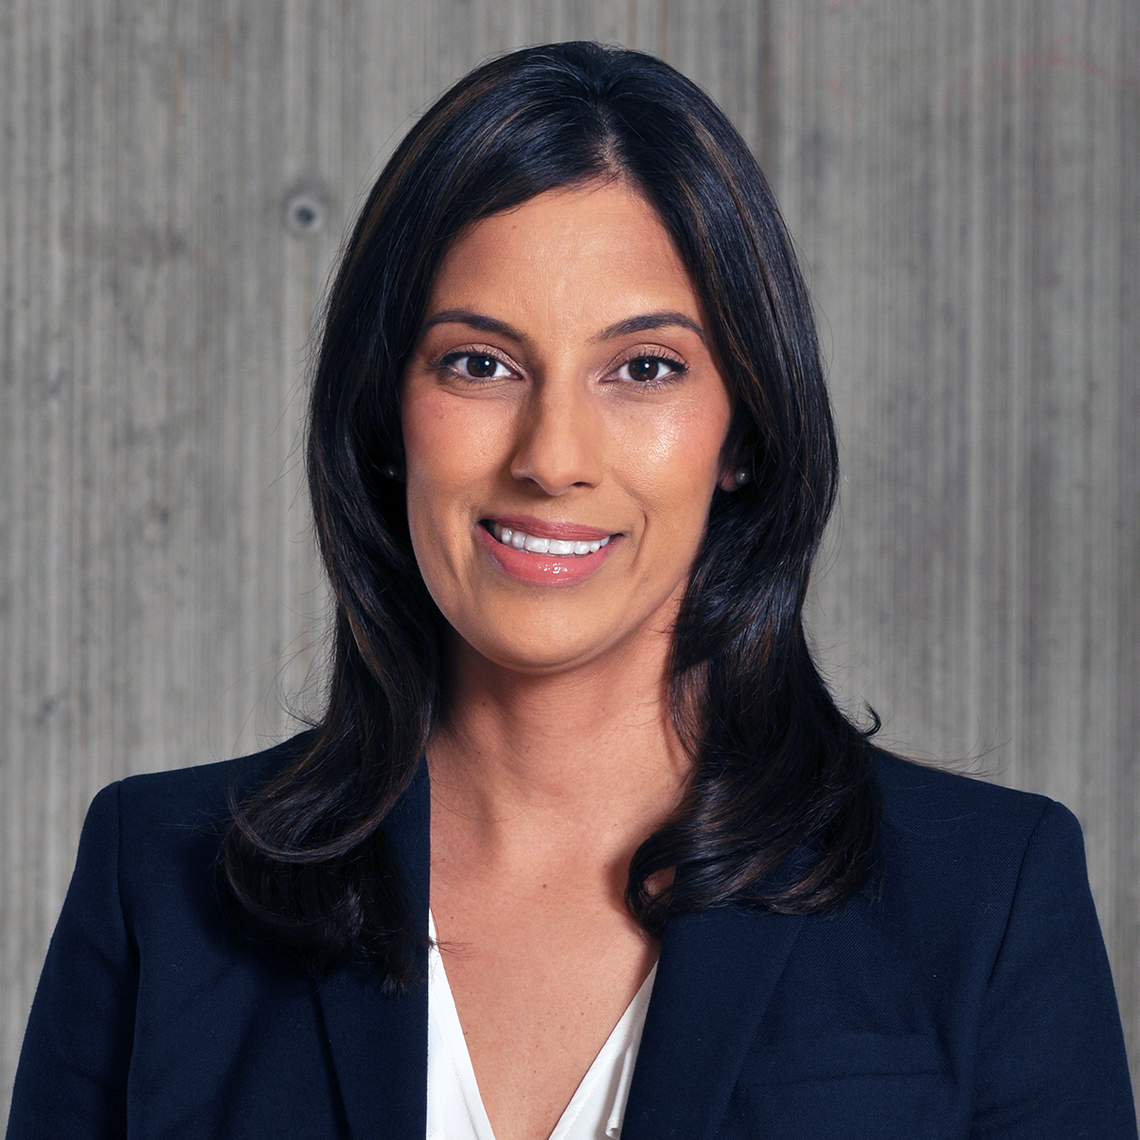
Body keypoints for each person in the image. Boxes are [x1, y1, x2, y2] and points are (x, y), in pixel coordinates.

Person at [7, 40, 1136, 1140]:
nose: (552, 457)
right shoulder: (158, 882)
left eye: (643, 369)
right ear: (387, 416)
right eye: (479, 363)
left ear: (742, 429)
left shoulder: (987, 896)